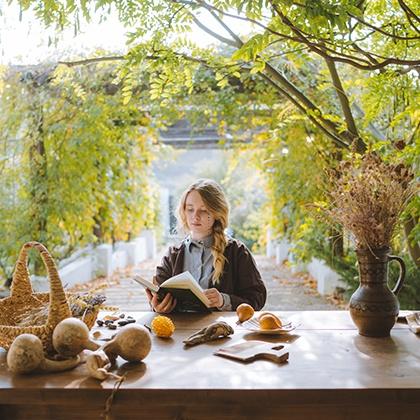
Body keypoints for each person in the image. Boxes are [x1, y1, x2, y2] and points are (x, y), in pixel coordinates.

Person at [146, 179, 266, 313]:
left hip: (222, 331)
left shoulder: (237, 252)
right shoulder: (172, 255)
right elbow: (158, 296)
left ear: (217, 213)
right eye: (190, 209)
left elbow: (257, 298)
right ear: (183, 211)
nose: (195, 217)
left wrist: (223, 300)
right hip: (178, 331)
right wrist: (157, 306)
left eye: (204, 211)